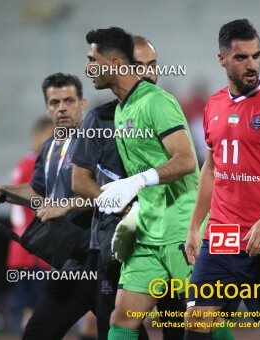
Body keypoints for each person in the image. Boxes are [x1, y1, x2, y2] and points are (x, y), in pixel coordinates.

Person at [184, 19, 260, 340]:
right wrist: (195, 226)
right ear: (222, 59)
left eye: (256, 56)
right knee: (196, 322)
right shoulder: (213, 105)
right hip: (221, 235)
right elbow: (210, 169)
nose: (252, 64)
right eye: (242, 58)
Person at [74, 34, 201, 340]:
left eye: (93, 60)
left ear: (114, 63)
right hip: (146, 234)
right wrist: (134, 210)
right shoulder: (121, 110)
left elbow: (185, 160)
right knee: (122, 318)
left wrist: (138, 181)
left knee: (202, 319)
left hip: (180, 232)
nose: (88, 66)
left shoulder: (157, 101)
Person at [0, 73, 96, 340]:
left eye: (69, 100)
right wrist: (4, 192)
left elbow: (111, 195)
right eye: (54, 102)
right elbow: (37, 190)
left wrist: (65, 206)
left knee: (123, 330)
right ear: (47, 108)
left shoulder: (100, 141)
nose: (62, 108)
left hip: (101, 258)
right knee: (36, 333)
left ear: (83, 104)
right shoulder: (48, 148)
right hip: (68, 263)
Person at [7, 116, 53, 332]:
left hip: (22, 248)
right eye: (49, 137)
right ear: (36, 137)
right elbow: (22, 204)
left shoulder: (24, 163)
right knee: (37, 309)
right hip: (33, 250)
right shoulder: (34, 164)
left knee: (30, 309)